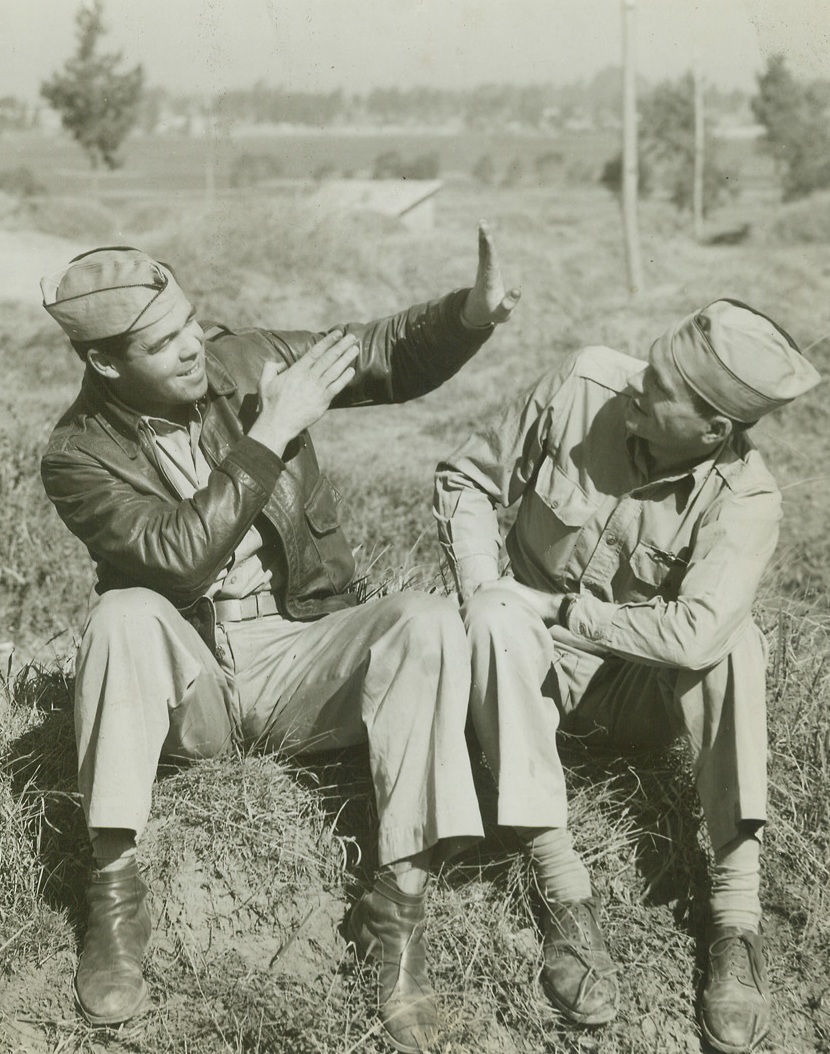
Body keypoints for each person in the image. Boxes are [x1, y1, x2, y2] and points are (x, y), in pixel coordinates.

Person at [40, 225, 519, 1052]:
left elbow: (378, 355)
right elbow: (178, 563)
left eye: (191, 321)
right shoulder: (78, 456)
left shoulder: (238, 359)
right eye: (164, 342)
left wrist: (468, 315)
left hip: (302, 649)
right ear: (106, 364)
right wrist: (273, 431)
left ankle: (395, 917)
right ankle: (114, 900)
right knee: (122, 615)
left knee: (429, 620)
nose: (194, 346)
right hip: (193, 683)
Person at [434, 300, 820, 1053]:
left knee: (733, 645)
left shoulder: (747, 498)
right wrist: (485, 593)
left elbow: (693, 634)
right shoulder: (581, 384)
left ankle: (735, 921)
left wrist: (564, 612)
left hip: (633, 688)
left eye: (663, 385)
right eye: (649, 363)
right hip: (522, 670)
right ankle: (563, 894)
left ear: (713, 431)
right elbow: (465, 481)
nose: (637, 385)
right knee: (495, 617)